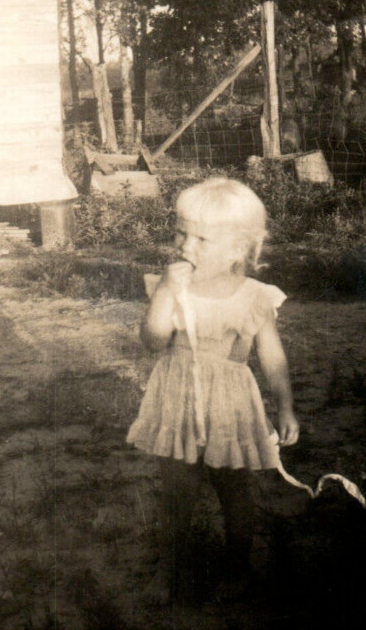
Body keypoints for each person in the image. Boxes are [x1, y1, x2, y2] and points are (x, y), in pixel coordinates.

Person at [126, 176, 299, 602]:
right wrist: (165, 293)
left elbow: (271, 356)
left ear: (238, 250)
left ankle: (237, 569)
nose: (185, 248)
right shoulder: (171, 286)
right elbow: (152, 341)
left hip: (228, 403)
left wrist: (286, 408)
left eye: (201, 239)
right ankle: (169, 573)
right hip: (178, 396)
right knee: (177, 492)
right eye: (180, 233)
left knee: (233, 488)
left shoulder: (256, 296)